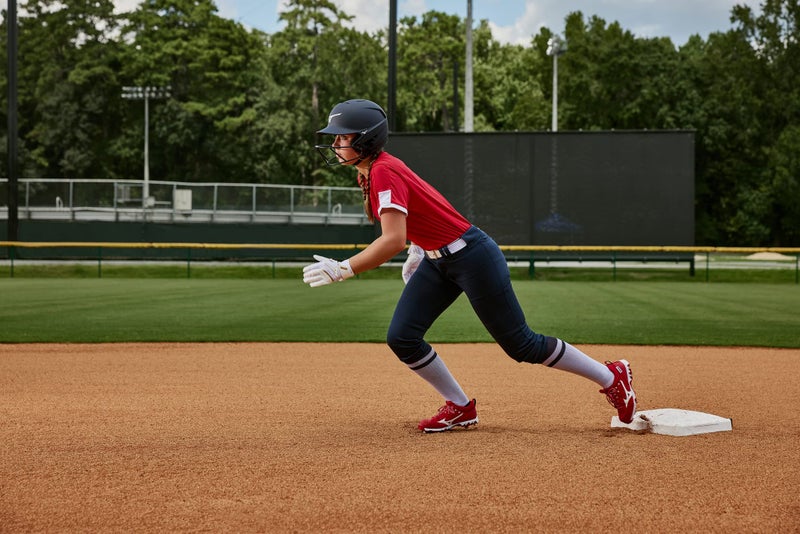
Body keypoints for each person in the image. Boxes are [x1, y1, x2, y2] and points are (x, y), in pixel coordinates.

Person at [303, 99, 637, 433]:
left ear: (365, 140)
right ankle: (461, 407)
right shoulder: (372, 172)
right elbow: (428, 209)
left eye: (341, 137)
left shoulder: (383, 170)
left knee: (522, 345)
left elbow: (392, 240)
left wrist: (345, 268)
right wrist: (422, 247)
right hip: (439, 261)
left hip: (472, 257)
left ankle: (612, 377)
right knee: (402, 337)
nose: (334, 144)